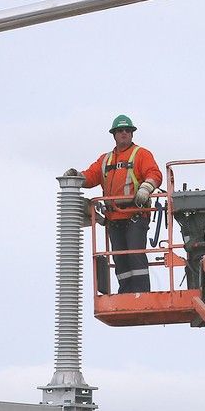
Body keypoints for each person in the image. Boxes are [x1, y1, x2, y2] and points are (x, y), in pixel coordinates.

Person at [79, 114, 163, 294]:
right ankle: (125, 292)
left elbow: (155, 174)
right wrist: (75, 177)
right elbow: (91, 176)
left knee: (134, 254)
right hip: (114, 218)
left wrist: (145, 189)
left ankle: (141, 293)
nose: (124, 133)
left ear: (132, 134)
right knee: (119, 258)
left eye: (127, 130)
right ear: (114, 135)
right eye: (120, 131)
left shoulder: (141, 154)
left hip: (135, 215)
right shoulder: (105, 160)